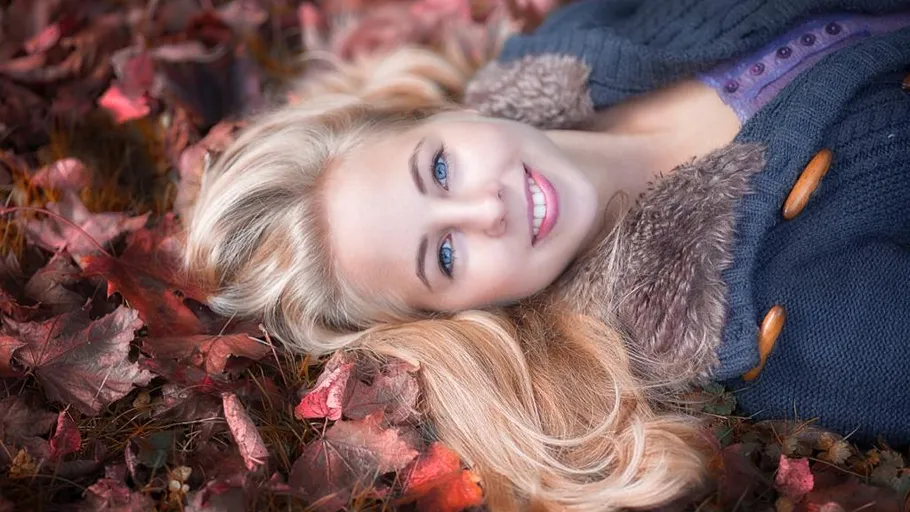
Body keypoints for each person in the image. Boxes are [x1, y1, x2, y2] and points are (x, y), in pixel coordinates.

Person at [184, 0, 910, 510]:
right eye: (444, 255)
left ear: (443, 114)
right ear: (467, 312)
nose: (485, 207)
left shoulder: (582, 36)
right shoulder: (774, 336)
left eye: (438, 170)